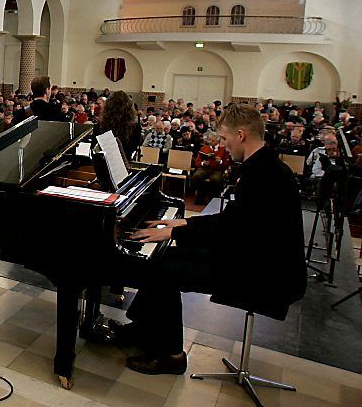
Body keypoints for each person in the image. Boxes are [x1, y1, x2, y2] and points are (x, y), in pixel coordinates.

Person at [113, 104, 306, 375]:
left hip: (264, 273)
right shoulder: (264, 165)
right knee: (159, 259)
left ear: (241, 135)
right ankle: (143, 329)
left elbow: (231, 229)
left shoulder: (262, 175)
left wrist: (175, 232)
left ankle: (172, 356)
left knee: (165, 270)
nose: (224, 145)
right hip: (252, 255)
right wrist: (183, 222)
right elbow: (233, 220)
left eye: (225, 138)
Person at [96, 91, 142, 161]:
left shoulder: (100, 125)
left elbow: (96, 148)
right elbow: (131, 149)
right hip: (124, 164)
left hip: (103, 163)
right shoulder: (136, 127)